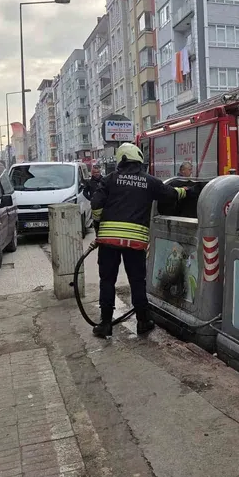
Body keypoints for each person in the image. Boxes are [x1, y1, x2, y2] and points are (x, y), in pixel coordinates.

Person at [91, 143, 187, 338]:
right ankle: (143, 321)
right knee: (137, 281)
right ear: (139, 159)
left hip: (108, 241)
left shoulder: (109, 180)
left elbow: (96, 205)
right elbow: (171, 194)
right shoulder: (149, 181)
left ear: (120, 160)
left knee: (107, 281)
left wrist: (99, 226)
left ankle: (106, 324)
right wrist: (186, 191)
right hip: (135, 242)